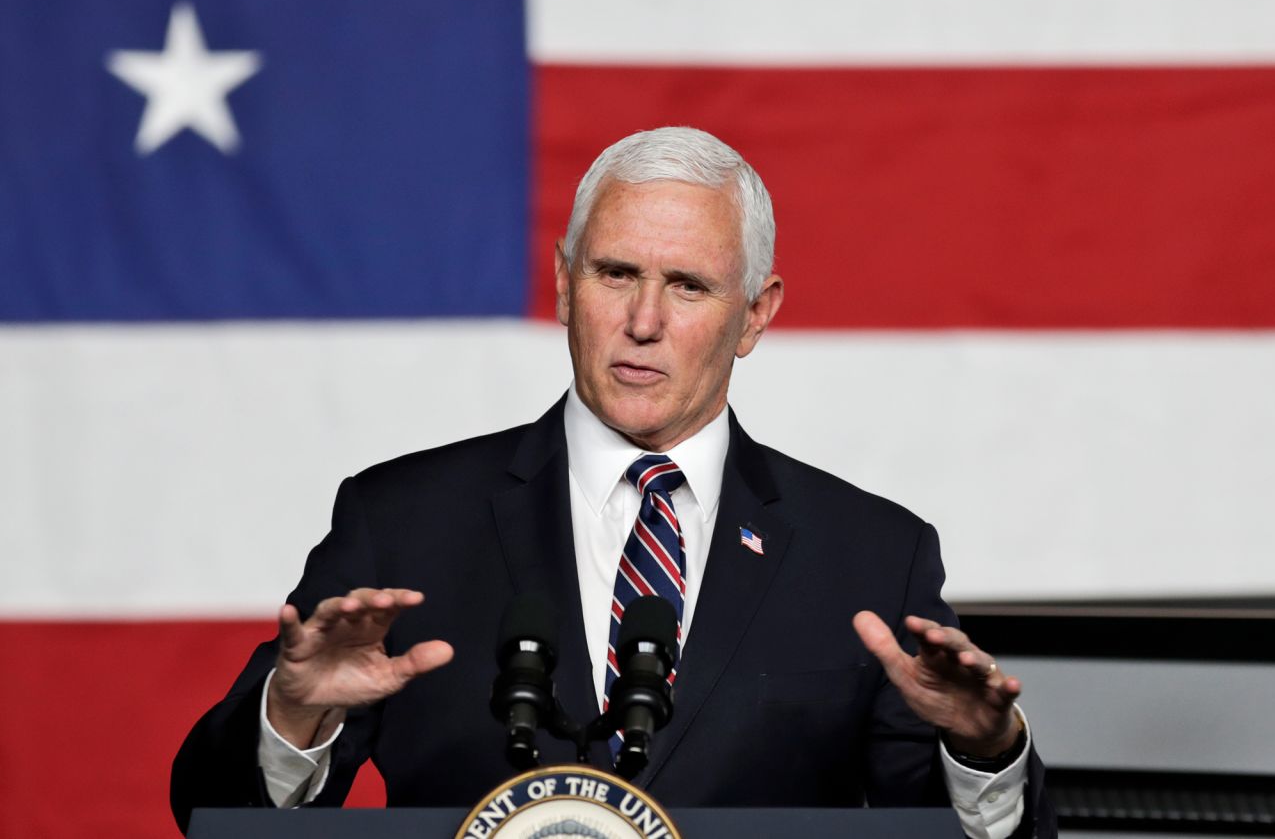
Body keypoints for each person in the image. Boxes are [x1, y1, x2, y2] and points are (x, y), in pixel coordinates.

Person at [172, 127, 1055, 838]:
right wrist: (291, 722)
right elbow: (216, 814)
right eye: (616, 274)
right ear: (564, 284)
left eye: (689, 286)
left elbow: (944, 834)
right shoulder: (403, 521)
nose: (643, 321)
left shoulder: (868, 554)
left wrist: (981, 752)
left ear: (755, 315)